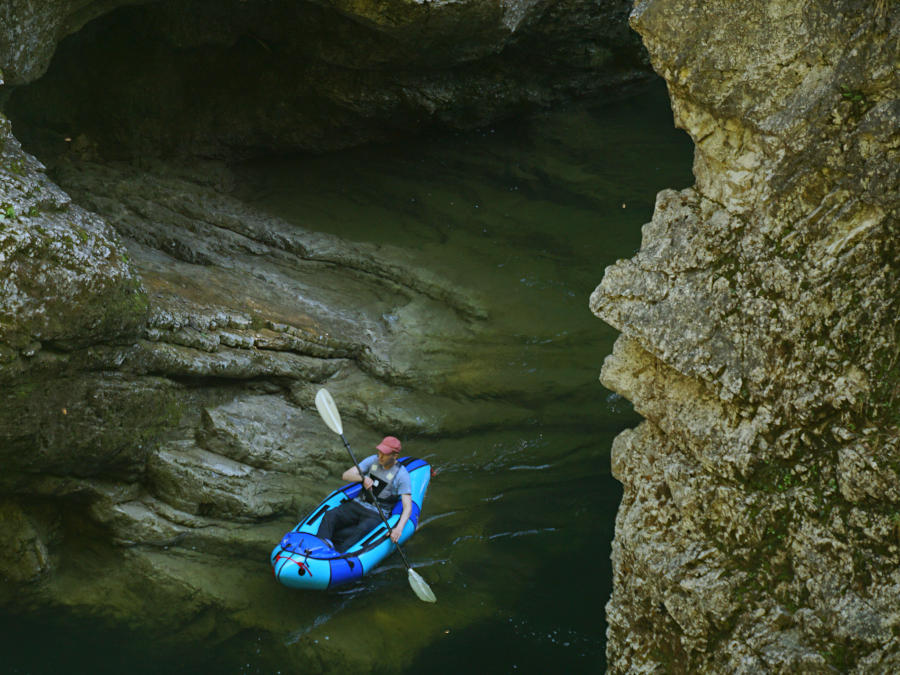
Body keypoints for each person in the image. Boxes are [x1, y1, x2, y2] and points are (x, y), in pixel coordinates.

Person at [316, 435, 413, 552]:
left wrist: (398, 529)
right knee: (330, 515)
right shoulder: (373, 460)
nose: (380, 456)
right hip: (358, 504)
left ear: (395, 456)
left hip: (377, 513)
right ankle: (320, 546)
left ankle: (338, 555)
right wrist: (362, 479)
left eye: (385, 454)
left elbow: (407, 507)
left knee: (361, 530)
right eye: (380, 451)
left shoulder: (402, 476)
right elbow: (346, 475)